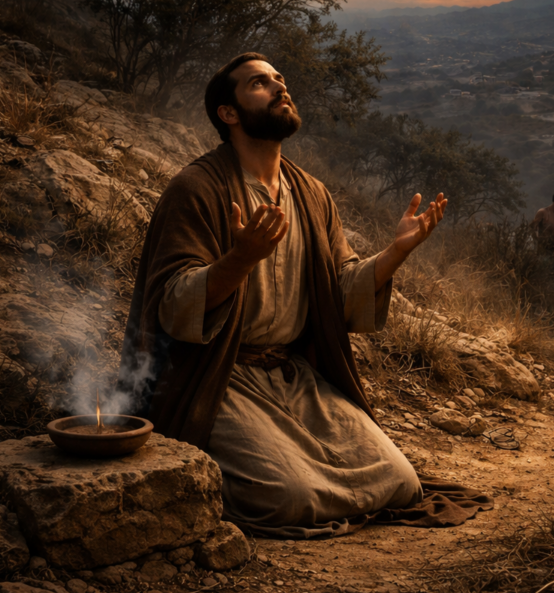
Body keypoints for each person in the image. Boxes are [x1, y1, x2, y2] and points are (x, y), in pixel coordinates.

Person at [118, 52, 491, 539]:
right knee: (288, 496)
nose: (279, 87)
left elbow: (342, 289)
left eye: (279, 78)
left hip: (295, 375)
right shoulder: (197, 188)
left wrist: (396, 252)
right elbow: (170, 304)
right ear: (228, 114)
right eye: (259, 83)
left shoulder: (311, 192)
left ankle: (307, 470)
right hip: (220, 378)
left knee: (402, 483)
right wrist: (241, 258)